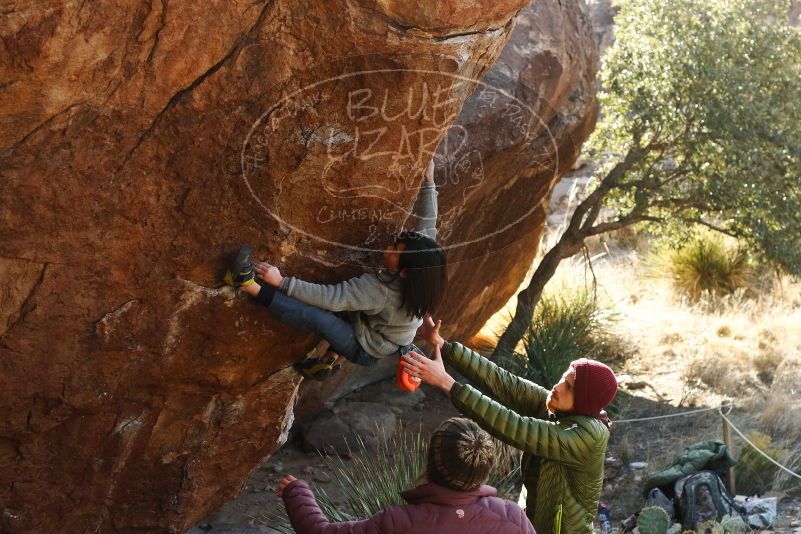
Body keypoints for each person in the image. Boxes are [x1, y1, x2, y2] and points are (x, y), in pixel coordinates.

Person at [224, 159, 446, 389]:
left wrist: (282, 282)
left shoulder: (380, 291)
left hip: (366, 348)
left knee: (320, 317)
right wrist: (428, 181)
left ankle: (245, 282)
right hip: (378, 328)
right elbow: (427, 226)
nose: (388, 248)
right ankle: (328, 359)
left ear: (405, 272)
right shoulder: (422, 266)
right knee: (348, 314)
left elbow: (332, 298)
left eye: (395, 252)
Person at [401, 317, 618, 534]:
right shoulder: (559, 407)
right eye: (564, 378)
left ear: (584, 401)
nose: (558, 387)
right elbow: (505, 382)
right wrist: (443, 345)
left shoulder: (586, 436)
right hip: (531, 523)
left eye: (569, 387)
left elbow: (516, 428)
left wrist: (447, 383)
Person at [277, 417, 536, 533]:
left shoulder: (400, 522)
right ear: (485, 469)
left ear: (432, 463)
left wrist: (296, 491)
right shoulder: (513, 519)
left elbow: (319, 531)